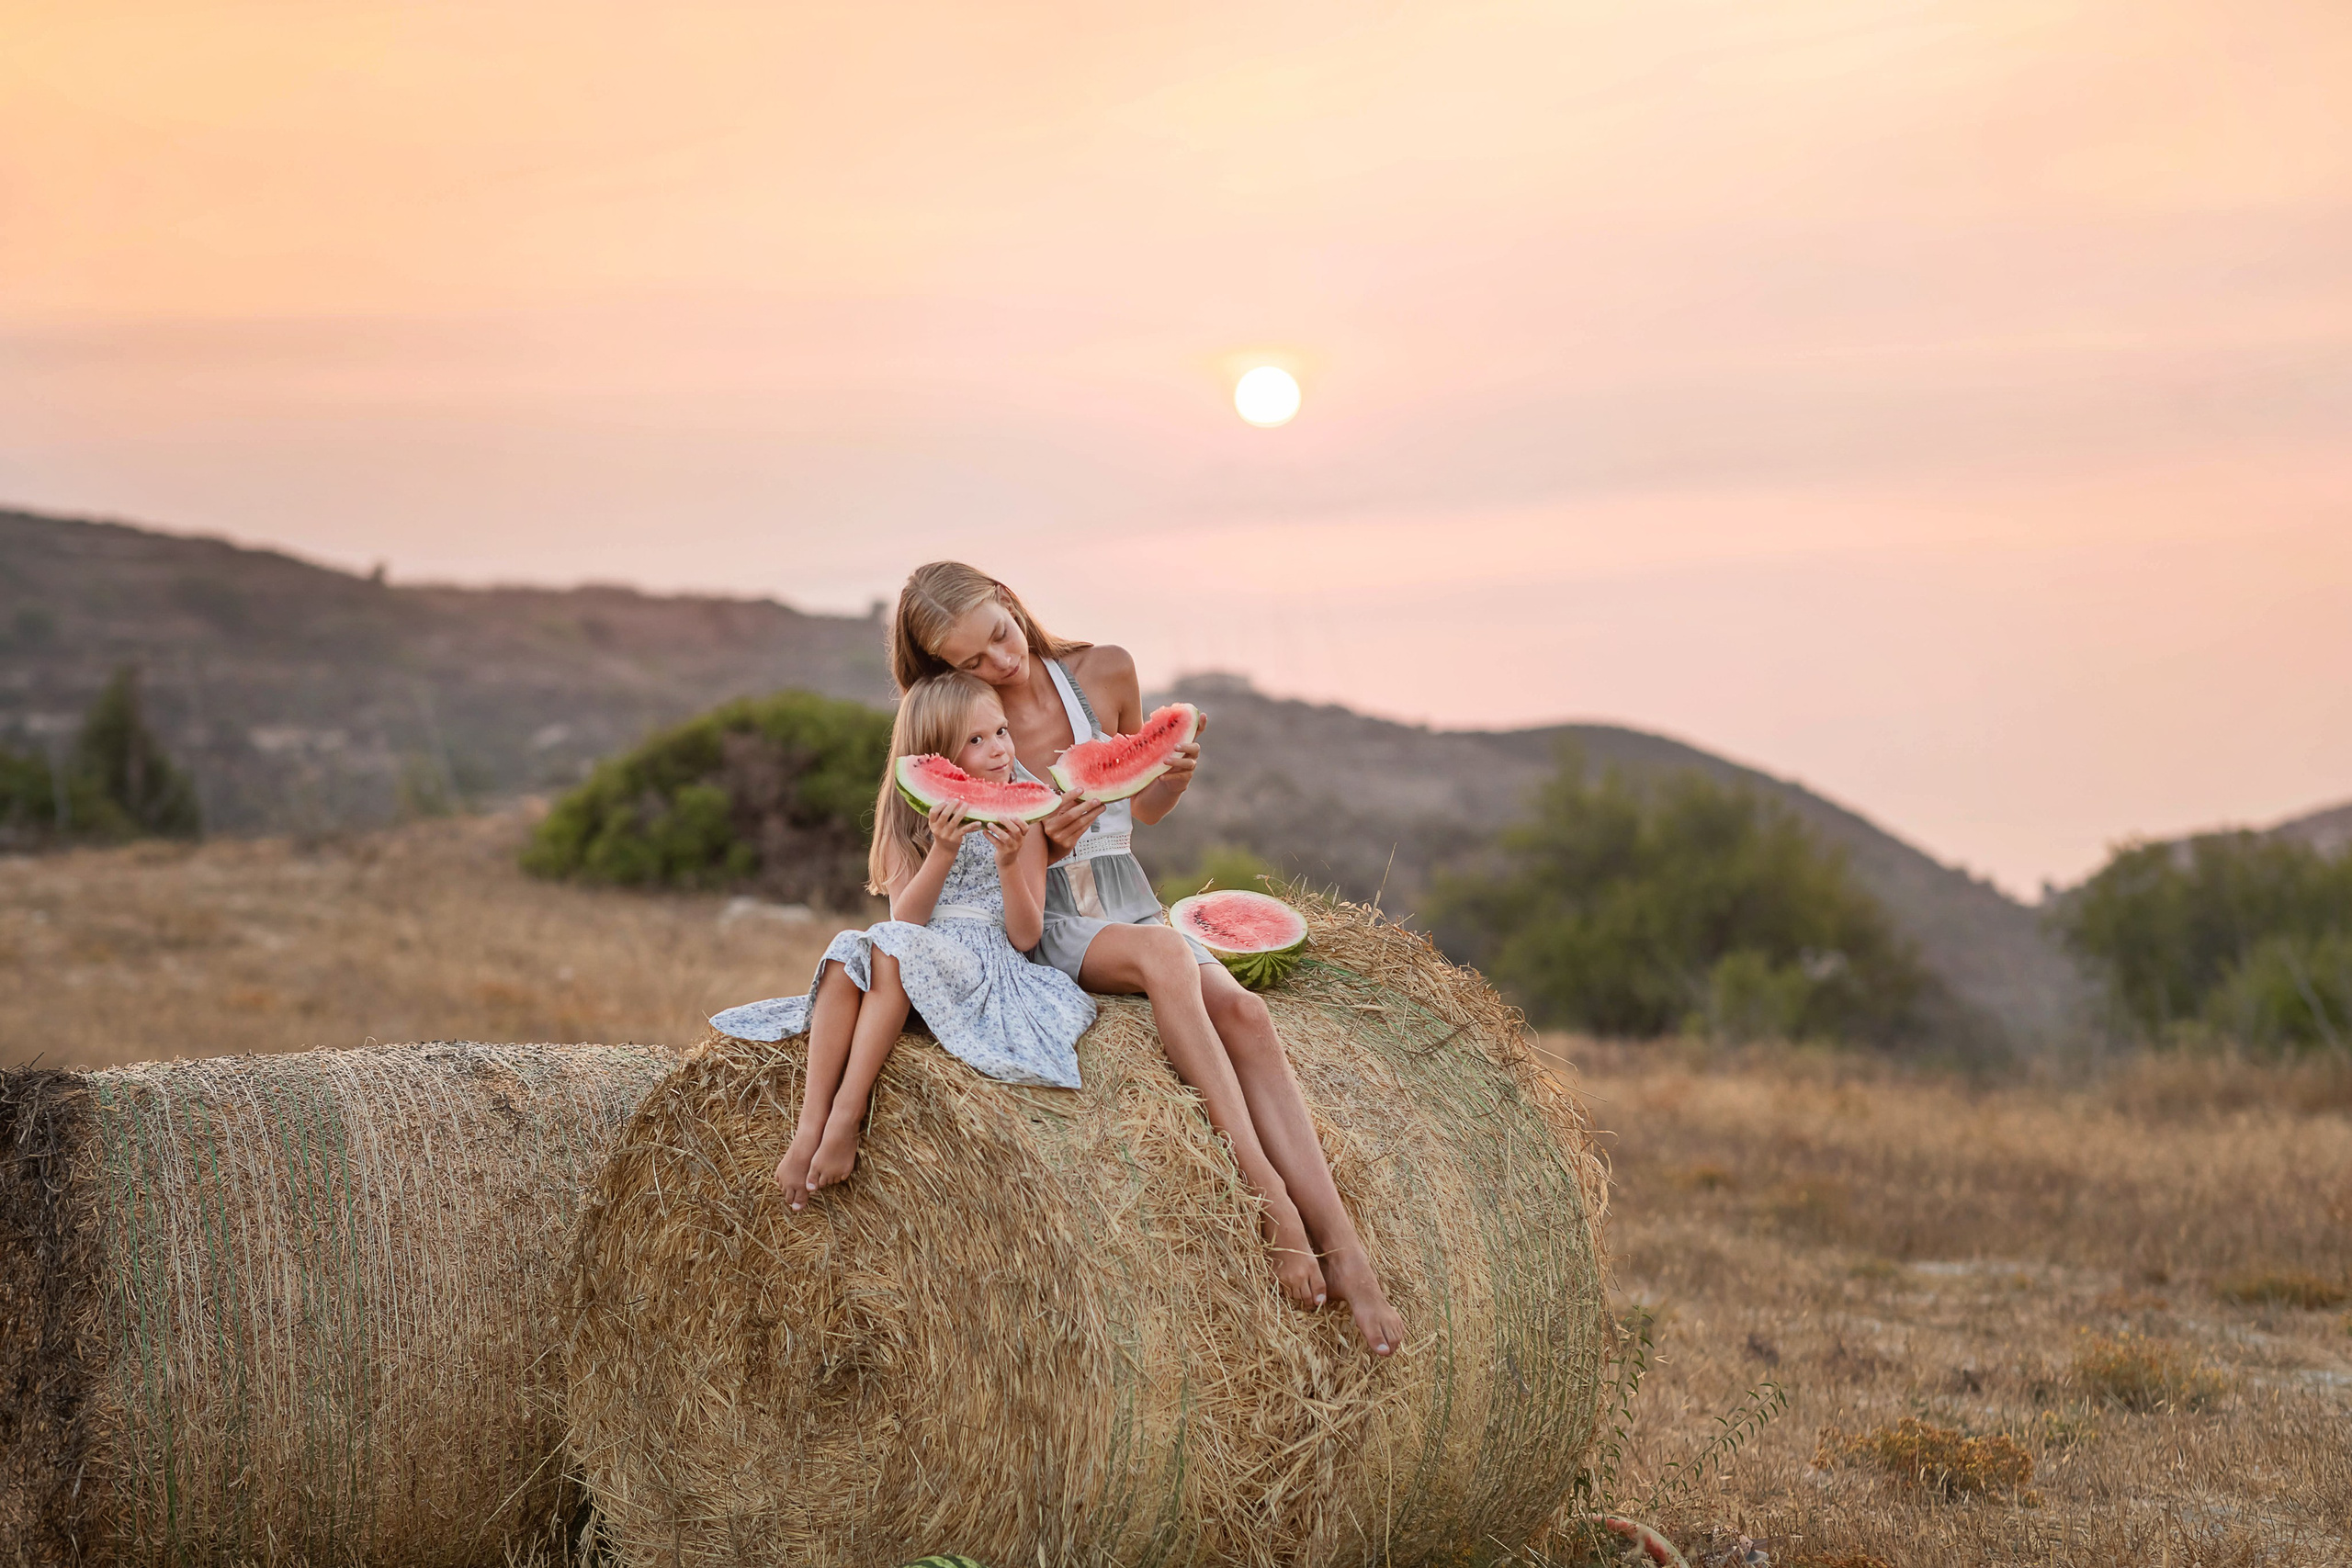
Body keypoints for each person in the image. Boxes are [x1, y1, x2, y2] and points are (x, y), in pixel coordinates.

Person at [890, 562, 1406, 1358]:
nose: (999, 662)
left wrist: (1173, 778)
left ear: (1006, 595)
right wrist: (1040, 846)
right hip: (1056, 921)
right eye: (970, 663)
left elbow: (1143, 810)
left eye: (998, 634)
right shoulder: (969, 725)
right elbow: (982, 873)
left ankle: (1346, 1245)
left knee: (1248, 1011)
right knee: (1168, 955)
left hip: (1127, 896)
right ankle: (1268, 1195)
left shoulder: (1105, 673)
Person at [708, 671, 1096, 1211]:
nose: (998, 750)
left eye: (1001, 732)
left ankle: (847, 1114)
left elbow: (1026, 936)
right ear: (935, 757)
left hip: (983, 965)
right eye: (975, 740)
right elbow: (905, 920)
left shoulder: (1025, 816)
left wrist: (1010, 862)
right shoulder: (903, 819)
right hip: (910, 951)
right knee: (849, 950)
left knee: (886, 947)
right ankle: (808, 1127)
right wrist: (941, 850)